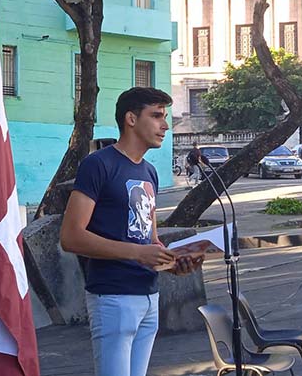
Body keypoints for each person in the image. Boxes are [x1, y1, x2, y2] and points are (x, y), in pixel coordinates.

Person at [60, 87, 204, 376]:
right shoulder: (98, 165)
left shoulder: (149, 172)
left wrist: (172, 262)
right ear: (131, 119)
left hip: (149, 294)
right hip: (113, 297)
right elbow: (71, 236)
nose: (165, 125)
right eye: (157, 116)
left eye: (166, 117)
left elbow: (149, 239)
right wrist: (139, 254)